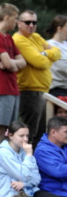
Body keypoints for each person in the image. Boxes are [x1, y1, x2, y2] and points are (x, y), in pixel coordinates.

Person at [0, 3, 27, 157]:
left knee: (9, 128)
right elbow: (11, 63)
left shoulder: (8, 38)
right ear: (7, 17)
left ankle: (5, 163)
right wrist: (11, 63)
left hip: (12, 89)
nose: (16, 23)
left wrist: (11, 64)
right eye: (15, 19)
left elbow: (21, 62)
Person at [15, 10, 62, 141]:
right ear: (19, 23)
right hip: (29, 90)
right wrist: (46, 57)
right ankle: (25, 159)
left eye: (34, 22)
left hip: (43, 90)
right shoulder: (19, 40)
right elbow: (39, 62)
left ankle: (36, 159)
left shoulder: (35, 37)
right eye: (27, 22)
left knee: (41, 131)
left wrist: (46, 54)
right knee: (30, 131)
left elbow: (57, 52)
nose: (31, 25)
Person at [0, 121, 47, 197]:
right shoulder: (4, 153)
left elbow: (37, 178)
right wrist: (29, 156)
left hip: (26, 193)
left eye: (27, 136)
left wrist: (24, 184)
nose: (25, 139)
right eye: (21, 136)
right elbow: (23, 175)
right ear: (10, 135)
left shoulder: (23, 151)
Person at [35, 115, 67, 197]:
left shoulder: (64, 146)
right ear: (53, 132)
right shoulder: (42, 150)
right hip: (52, 191)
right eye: (66, 132)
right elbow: (58, 171)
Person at [48, 15, 67, 97]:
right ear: (59, 28)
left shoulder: (65, 44)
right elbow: (63, 67)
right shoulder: (49, 45)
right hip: (57, 91)